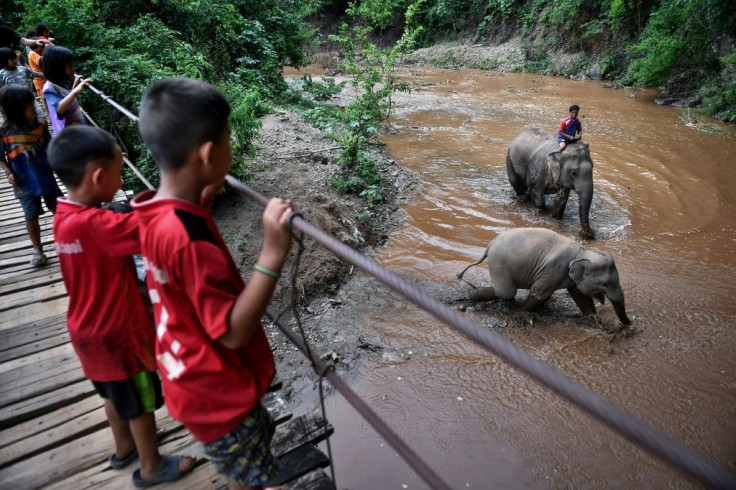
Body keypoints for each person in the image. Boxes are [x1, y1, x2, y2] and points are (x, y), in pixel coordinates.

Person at [132, 77, 292, 490]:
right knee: (249, 473)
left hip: (187, 375)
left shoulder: (152, 211)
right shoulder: (190, 240)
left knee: (258, 435)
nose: (232, 150)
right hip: (217, 394)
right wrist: (272, 252)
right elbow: (235, 332)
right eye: (229, 142)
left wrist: (201, 202)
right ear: (207, 154)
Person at [47, 125, 196, 488]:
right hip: (120, 336)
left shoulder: (65, 217)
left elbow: (115, 227)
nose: (121, 177)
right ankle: (151, 466)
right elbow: (147, 232)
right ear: (99, 177)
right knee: (140, 403)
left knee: (114, 396)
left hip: (87, 334)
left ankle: (125, 447)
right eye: (119, 171)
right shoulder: (99, 224)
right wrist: (181, 196)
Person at [0, 85, 61, 266]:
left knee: (59, 210)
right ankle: (37, 250)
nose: (33, 107)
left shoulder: (39, 127)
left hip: (45, 176)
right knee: (30, 215)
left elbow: (51, 147)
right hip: (23, 181)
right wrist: (8, 172)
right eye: (29, 104)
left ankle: (68, 240)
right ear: (16, 108)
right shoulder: (4, 133)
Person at [41, 45, 90, 134]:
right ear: (57, 68)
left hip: (76, 132)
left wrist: (75, 85)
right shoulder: (49, 88)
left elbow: (66, 99)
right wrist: (76, 90)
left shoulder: (60, 83)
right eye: (70, 66)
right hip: (68, 136)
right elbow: (59, 109)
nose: (73, 69)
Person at [0, 47, 47, 125]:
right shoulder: (1, 74)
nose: (15, 61)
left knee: (42, 120)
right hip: (14, 102)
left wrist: (50, 76)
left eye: (15, 58)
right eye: (11, 59)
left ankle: (45, 136)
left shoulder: (22, 69)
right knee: (21, 123)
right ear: (4, 61)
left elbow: (36, 74)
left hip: (29, 98)